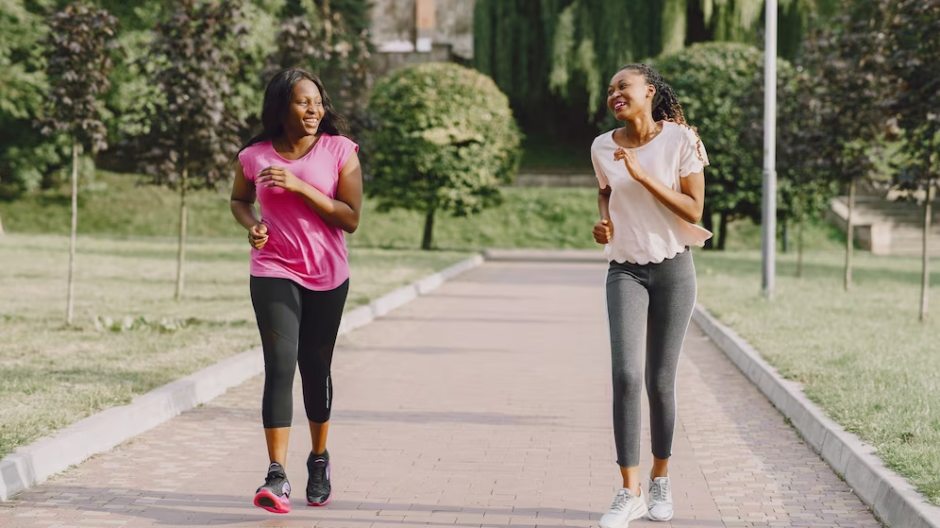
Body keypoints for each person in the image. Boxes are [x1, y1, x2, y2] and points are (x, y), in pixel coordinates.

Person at [230, 68, 362, 514]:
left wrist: (299, 185)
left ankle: (319, 459)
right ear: (281, 106)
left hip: (328, 273)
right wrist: (253, 227)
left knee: (315, 368)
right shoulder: (253, 155)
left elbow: (350, 218)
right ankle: (276, 475)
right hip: (273, 269)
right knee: (280, 366)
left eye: (318, 102)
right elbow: (239, 200)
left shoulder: (339, 150)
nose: (314, 110)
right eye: (304, 102)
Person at [591, 63, 711, 527]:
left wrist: (642, 176)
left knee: (659, 382)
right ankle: (630, 489)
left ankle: (661, 479)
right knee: (625, 375)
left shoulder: (682, 140)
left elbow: (693, 206)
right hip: (624, 270)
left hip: (674, 270)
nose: (614, 92)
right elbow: (604, 191)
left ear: (650, 91)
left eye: (623, 85)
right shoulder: (602, 146)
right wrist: (603, 221)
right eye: (610, 88)